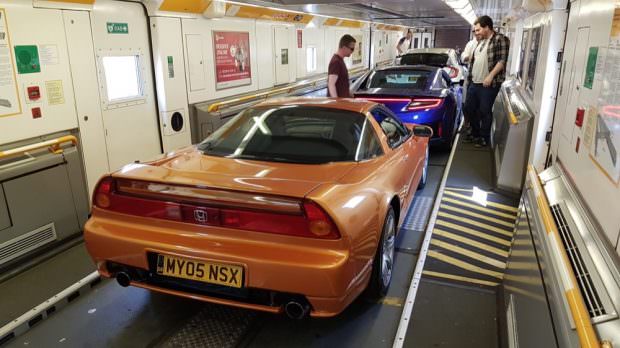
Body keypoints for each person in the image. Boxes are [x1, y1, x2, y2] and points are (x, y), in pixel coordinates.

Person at [464, 15, 509, 148]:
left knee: (484, 110)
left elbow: (502, 60)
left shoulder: (500, 39)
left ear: (487, 27)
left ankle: (484, 138)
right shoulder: (481, 41)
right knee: (469, 109)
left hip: (489, 83)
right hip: (475, 82)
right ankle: (475, 134)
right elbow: (475, 60)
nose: (476, 33)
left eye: (478, 30)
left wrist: (490, 76)